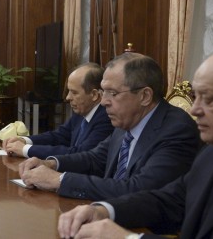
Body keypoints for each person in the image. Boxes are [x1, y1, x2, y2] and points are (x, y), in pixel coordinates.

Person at [57, 49, 213, 239]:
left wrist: (127, 238)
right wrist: (104, 211)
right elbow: (169, 200)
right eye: (196, 97)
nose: (195, 110)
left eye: (208, 100)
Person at [19, 52, 200, 200]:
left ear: (145, 96)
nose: (104, 101)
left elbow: (139, 190)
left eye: (112, 93)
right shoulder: (127, 120)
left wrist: (60, 180)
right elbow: (95, 158)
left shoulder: (177, 130)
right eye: (104, 91)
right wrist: (51, 163)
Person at [3, 62, 113, 158]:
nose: (67, 97)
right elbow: (59, 136)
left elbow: (80, 153)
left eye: (74, 92)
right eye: (69, 91)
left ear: (94, 95)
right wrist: (25, 140)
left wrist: (25, 150)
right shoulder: (82, 111)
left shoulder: (106, 118)